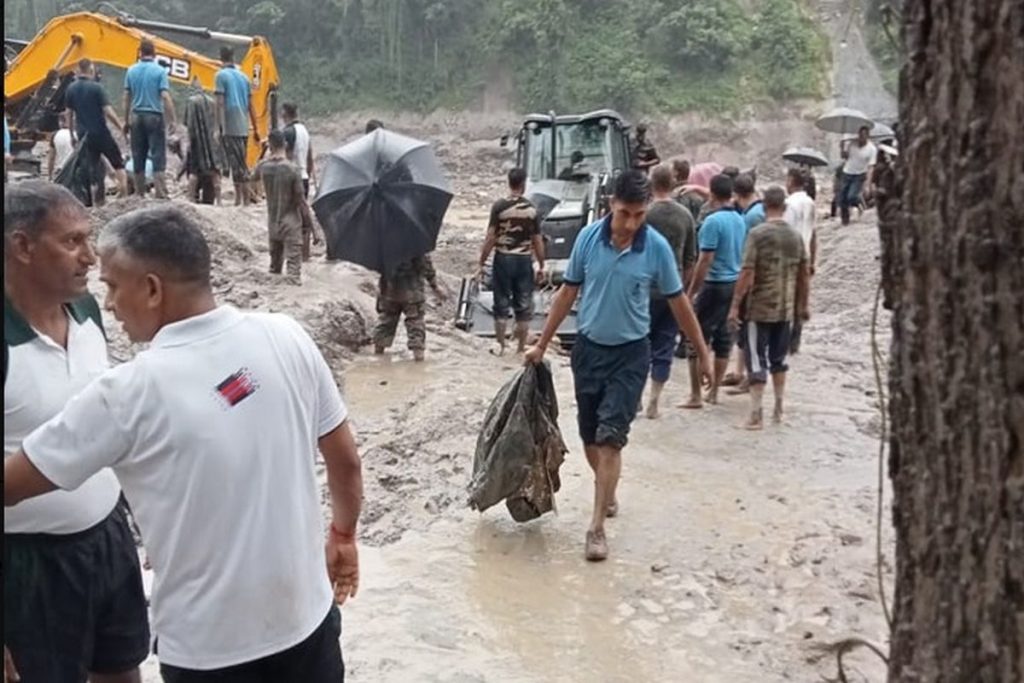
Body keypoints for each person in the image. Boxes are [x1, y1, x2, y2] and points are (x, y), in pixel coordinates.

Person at [4, 205, 363, 681]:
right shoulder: (286, 335)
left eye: (112, 286)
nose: (106, 304)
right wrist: (342, 534)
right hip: (309, 624)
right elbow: (346, 463)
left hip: (209, 651)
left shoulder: (127, 394)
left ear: (152, 289)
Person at [523, 171, 712, 562]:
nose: (631, 224)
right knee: (590, 439)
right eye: (625, 213)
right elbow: (567, 292)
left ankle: (596, 527)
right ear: (611, 204)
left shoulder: (655, 248)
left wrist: (703, 352)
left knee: (611, 438)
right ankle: (606, 490)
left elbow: (679, 303)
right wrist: (541, 344)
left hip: (630, 355)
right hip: (589, 351)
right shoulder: (589, 240)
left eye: (639, 215)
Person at [3, 181, 149, 683]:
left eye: (90, 239)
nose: (91, 258)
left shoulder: (87, 313)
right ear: (22, 247)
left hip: (107, 536)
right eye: (71, 242)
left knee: (123, 669)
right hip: (27, 566)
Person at [728, 185, 810, 429]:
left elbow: (747, 272)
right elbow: (804, 275)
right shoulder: (795, 237)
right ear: (784, 208)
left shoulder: (757, 234)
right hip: (785, 309)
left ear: (764, 207)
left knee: (756, 360)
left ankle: (755, 415)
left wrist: (735, 305)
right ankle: (779, 409)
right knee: (778, 360)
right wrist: (803, 306)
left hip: (759, 309)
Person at [683, 174, 748, 408]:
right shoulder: (740, 220)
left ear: (712, 195)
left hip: (714, 284)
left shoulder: (712, 222)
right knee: (724, 339)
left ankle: (695, 395)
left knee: (695, 337)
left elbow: (705, 260)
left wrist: (691, 292)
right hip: (733, 283)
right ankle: (714, 394)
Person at [642, 163, 697, 419]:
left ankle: (636, 399)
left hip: (644, 291)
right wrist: (683, 291)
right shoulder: (684, 215)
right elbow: (690, 260)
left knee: (639, 344)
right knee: (664, 345)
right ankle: (654, 400)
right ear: (673, 183)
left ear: (651, 184)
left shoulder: (644, 214)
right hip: (671, 290)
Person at [477, 167, 545, 354]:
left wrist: (481, 261)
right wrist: (541, 264)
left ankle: (501, 345)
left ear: (509, 183)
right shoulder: (531, 210)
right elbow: (537, 240)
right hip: (524, 260)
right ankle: (521, 348)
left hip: (503, 259)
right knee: (523, 305)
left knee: (501, 303)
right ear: (523, 184)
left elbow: (490, 237)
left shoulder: (499, 207)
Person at [252, 130, 318, 285]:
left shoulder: (264, 167)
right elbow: (301, 202)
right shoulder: (292, 169)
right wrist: (314, 230)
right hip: (291, 224)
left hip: (273, 224)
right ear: (286, 144)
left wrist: (262, 152)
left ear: (270, 145)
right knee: (293, 275)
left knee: (274, 270)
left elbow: (249, 177)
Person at [65, 59, 129, 203]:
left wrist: (72, 134)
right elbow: (108, 111)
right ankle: (124, 194)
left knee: (92, 168)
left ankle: (95, 201)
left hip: (83, 135)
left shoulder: (71, 89)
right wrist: (121, 127)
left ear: (78, 70)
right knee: (117, 161)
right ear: (91, 70)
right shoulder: (97, 88)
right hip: (100, 132)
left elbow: (68, 114)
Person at [123, 40, 176, 199]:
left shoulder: (131, 71)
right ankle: (160, 192)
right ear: (154, 53)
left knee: (138, 154)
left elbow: (126, 96)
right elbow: (165, 96)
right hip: (154, 116)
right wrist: (172, 119)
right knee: (158, 154)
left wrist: (126, 120)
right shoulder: (159, 71)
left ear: (140, 52)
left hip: (137, 116)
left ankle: (140, 193)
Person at [372, 255, 445, 362]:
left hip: (389, 291)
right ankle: (419, 360)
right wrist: (435, 287)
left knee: (385, 320)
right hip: (412, 292)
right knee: (415, 323)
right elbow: (426, 265)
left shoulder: (383, 241)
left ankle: (378, 356)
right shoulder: (417, 242)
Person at [215, 47, 260, 206]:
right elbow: (251, 106)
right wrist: (256, 129)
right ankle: (239, 199)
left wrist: (219, 127)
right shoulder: (244, 78)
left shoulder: (220, 76)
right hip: (243, 125)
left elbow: (220, 103)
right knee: (239, 162)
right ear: (233, 58)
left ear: (220, 58)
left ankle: (244, 200)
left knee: (238, 165)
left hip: (231, 124)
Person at [783, 168, 819, 355]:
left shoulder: (789, 203)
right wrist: (813, 260)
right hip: (804, 255)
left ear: (791, 181)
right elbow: (813, 234)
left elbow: (784, 231)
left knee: (785, 297)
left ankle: (781, 340)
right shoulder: (810, 202)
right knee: (800, 297)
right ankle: (794, 341)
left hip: (789, 256)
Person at [182, 77, 223, 206]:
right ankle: (220, 201)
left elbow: (188, 123)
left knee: (194, 171)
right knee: (214, 171)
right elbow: (217, 122)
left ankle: (190, 198)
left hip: (197, 142)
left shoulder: (191, 101)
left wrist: (189, 141)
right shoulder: (211, 101)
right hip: (212, 143)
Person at [837, 125, 877, 225]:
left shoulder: (871, 149)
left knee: (851, 196)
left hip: (859, 174)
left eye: (864, 135)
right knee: (842, 197)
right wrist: (842, 147)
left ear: (868, 136)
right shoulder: (852, 144)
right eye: (860, 135)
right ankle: (845, 220)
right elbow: (845, 157)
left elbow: (871, 167)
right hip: (847, 172)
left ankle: (860, 202)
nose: (861, 137)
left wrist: (868, 183)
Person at [282, 102, 317, 200]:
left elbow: (286, 157)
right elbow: (310, 157)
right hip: (304, 178)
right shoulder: (304, 130)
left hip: (292, 179)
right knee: (301, 212)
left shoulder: (288, 132)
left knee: (290, 213)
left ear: (285, 114)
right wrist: (308, 175)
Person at [47, 116, 74, 181]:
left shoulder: (55, 135)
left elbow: (51, 158)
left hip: (61, 170)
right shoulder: (77, 134)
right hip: (74, 169)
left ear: (61, 122)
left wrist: (50, 176)